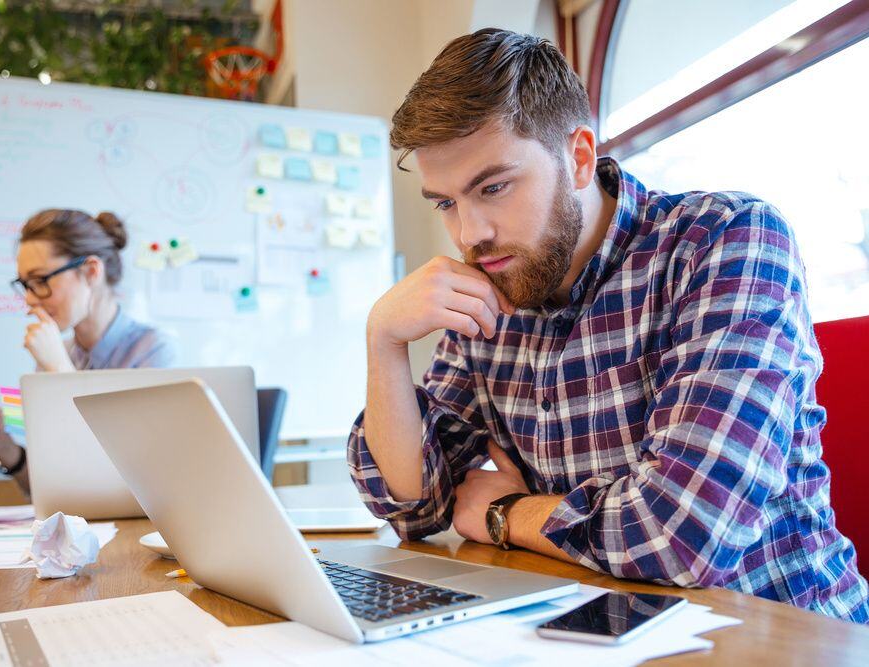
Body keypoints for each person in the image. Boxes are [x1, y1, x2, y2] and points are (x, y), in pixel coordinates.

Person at [348, 29, 869, 623]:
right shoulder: (493, 282)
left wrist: (507, 514)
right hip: (599, 628)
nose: (471, 233)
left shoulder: (725, 242)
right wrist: (383, 342)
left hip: (780, 634)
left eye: (493, 187)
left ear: (577, 158)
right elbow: (416, 507)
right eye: (445, 202)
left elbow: (680, 536)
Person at [0, 209, 178, 494]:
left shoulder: (153, 350)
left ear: (90, 272)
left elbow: (129, 485)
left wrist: (60, 371)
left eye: (40, 281)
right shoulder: (58, 355)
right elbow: (50, 489)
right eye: (25, 285)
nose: (29, 300)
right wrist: (3, 446)